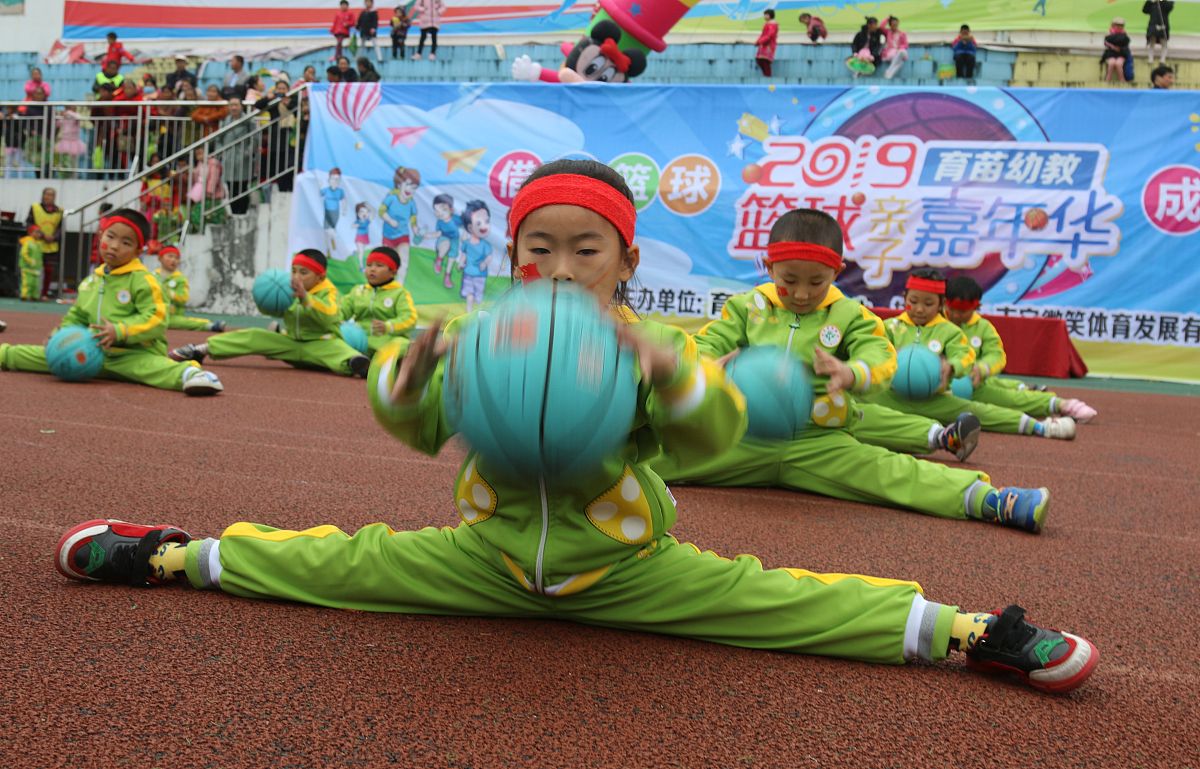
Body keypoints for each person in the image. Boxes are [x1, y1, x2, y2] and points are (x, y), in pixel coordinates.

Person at [55, 162, 1099, 697]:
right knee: (333, 562)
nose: (557, 270)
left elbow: (708, 438)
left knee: (786, 598)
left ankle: (966, 631)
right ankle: (173, 555)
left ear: (626, 264)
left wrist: (662, 373)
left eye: (585, 250)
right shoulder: (474, 331)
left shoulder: (651, 346)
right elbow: (410, 425)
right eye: (536, 248)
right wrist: (407, 370)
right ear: (513, 259)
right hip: (482, 557)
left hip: (631, 569)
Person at [651, 208, 1052, 531]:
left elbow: (880, 357)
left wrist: (850, 372)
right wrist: (703, 366)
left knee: (890, 472)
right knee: (651, 459)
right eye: (790, 280)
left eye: (817, 282)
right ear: (769, 268)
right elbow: (706, 343)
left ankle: (992, 500)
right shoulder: (744, 307)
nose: (804, 293)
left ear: (837, 273)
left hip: (819, 440)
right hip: (740, 435)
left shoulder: (851, 314)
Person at [0, 209, 224, 396]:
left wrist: (120, 331)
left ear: (138, 250)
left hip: (132, 355)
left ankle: (193, 374)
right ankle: (4, 354)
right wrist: (60, 334)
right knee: (38, 354)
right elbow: (77, 315)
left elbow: (157, 318)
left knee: (154, 369)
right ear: (100, 237)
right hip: (88, 352)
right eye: (110, 237)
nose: (115, 246)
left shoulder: (144, 280)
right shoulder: (91, 280)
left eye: (126, 242)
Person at [862, 268, 1077, 440]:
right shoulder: (889, 326)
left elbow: (966, 356)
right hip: (890, 395)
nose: (919, 309)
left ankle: (1040, 427)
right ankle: (938, 436)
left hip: (934, 397)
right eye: (913, 301)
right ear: (904, 298)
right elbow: (871, 348)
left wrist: (952, 366)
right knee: (856, 406)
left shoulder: (950, 332)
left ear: (941, 304)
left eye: (928, 303)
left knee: (981, 412)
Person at [168, 250, 370, 378]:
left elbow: (330, 317)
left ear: (320, 276)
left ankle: (355, 364)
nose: (296, 276)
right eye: (294, 270)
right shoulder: (285, 287)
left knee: (340, 351)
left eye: (303, 272)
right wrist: (264, 298)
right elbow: (270, 310)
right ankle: (201, 349)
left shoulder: (329, 292)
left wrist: (306, 298)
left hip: (321, 343)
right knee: (254, 336)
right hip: (289, 343)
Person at [943, 276, 1097, 423]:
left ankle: (1064, 405)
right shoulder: (938, 324)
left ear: (976, 307)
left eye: (962, 312)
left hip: (974, 384)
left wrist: (982, 369)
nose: (956, 315)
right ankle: (1020, 387)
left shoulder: (984, 328)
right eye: (952, 309)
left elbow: (997, 356)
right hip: (939, 389)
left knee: (1011, 400)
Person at [339, 246, 417, 356]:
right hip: (361, 339)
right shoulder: (358, 291)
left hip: (387, 340)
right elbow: (341, 311)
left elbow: (410, 319)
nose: (372, 269)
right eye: (369, 265)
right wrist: (336, 320)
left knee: (402, 344)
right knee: (334, 338)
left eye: (379, 265)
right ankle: (357, 362)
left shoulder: (400, 293)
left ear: (393, 272)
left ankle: (370, 362)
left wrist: (388, 326)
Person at [153, 244, 227, 333]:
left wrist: (169, 293)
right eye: (170, 256)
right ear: (160, 258)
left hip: (171, 316)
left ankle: (210, 325)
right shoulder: (151, 276)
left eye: (176, 258)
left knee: (184, 322)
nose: (173, 260)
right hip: (152, 314)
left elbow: (183, 298)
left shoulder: (180, 279)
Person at [378, 166, 421, 282]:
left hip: (403, 235)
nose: (410, 190)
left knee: (403, 262)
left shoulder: (411, 203)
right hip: (388, 236)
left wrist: (415, 228)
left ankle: (399, 286)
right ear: (400, 184)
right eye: (407, 185)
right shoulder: (391, 198)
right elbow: (381, 211)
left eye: (414, 188)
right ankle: (386, 284)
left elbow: (413, 217)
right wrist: (390, 220)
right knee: (387, 262)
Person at [217, 97, 258, 215]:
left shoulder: (248, 121)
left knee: (243, 185)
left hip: (243, 158)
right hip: (229, 157)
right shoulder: (225, 121)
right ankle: (234, 212)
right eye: (231, 105)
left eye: (236, 105)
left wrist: (248, 152)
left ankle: (243, 211)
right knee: (230, 186)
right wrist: (221, 152)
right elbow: (219, 139)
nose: (234, 108)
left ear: (241, 106)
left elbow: (255, 138)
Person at [457, 199, 493, 313]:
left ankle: (478, 311)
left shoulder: (485, 245)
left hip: (480, 275)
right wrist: (461, 263)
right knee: (469, 293)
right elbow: (464, 254)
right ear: (470, 228)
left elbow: (489, 256)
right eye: (479, 223)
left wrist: (485, 263)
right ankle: (469, 312)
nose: (484, 226)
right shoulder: (467, 243)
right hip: (468, 273)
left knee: (478, 295)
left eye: (486, 221)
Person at [26, 187, 61, 298]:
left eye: (51, 195)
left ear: (54, 197)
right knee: (33, 270)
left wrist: (54, 237)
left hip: (51, 246)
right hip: (36, 244)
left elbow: (61, 228)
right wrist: (41, 234)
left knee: (49, 271)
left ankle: (44, 293)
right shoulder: (35, 207)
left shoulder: (60, 211)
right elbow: (29, 223)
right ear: (43, 195)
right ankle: (31, 293)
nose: (49, 197)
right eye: (47, 194)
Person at [430, 192, 461, 289]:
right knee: (446, 243)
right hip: (443, 238)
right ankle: (439, 259)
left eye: (443, 209)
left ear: (451, 210)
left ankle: (447, 276)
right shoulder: (440, 222)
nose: (440, 213)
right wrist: (428, 235)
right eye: (436, 210)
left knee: (452, 258)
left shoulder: (456, 219)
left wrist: (464, 235)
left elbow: (465, 225)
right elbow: (438, 233)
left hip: (455, 240)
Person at [1102, 17, 1133, 83]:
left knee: (1119, 64)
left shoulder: (1124, 35)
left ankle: (1122, 81)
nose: (1119, 27)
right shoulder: (1109, 34)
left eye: (1121, 25)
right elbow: (1106, 44)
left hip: (1121, 54)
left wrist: (1119, 49)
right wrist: (1113, 47)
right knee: (1111, 63)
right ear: (1113, 25)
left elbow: (1125, 46)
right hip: (1111, 54)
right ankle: (1107, 80)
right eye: (1117, 25)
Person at [19, 225, 44, 301]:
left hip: (36, 267)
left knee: (36, 283)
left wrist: (40, 264)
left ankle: (34, 296)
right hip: (27, 267)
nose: (38, 234)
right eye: (36, 232)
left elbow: (39, 255)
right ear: (30, 233)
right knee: (27, 282)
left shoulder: (39, 243)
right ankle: (25, 296)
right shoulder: (27, 242)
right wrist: (29, 261)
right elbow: (24, 253)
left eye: (39, 232)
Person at [1144, 0, 1173, 65]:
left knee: (1164, 43)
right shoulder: (1152, 3)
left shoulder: (1167, 3)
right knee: (1152, 42)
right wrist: (1150, 2)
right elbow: (1145, 10)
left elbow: (1170, 7)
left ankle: (1162, 60)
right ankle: (1150, 59)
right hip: (1153, 25)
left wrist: (1162, 1)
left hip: (1163, 25)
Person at [754, 9, 778, 77]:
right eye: (764, 15)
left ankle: (767, 76)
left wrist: (760, 42)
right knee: (759, 60)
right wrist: (758, 41)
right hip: (763, 44)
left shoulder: (773, 24)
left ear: (771, 15)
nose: (765, 16)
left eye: (766, 15)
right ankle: (766, 75)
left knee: (765, 61)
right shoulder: (767, 24)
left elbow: (769, 35)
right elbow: (763, 34)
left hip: (769, 45)